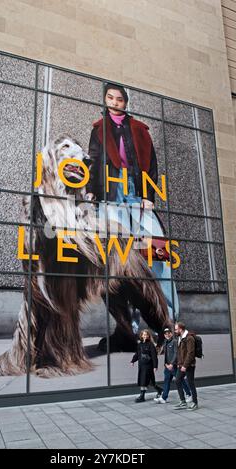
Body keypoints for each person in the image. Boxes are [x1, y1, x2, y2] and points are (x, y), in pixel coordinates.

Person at [86, 83, 179, 321]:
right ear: (105, 100)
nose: (115, 103)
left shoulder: (139, 129)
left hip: (136, 189)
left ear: (126, 102)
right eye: (110, 98)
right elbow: (94, 161)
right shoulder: (98, 130)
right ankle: (136, 325)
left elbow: (152, 164)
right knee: (123, 260)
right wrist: (91, 192)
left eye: (119, 99)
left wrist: (149, 196)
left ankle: (169, 318)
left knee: (158, 255)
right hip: (111, 190)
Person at [154, 327, 192, 404]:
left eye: (169, 333)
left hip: (174, 366)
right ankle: (164, 398)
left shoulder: (174, 342)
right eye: (166, 334)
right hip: (167, 366)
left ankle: (189, 394)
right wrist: (166, 364)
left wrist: (172, 364)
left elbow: (176, 353)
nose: (167, 335)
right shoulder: (165, 342)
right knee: (166, 381)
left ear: (171, 333)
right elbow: (165, 354)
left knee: (180, 380)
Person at [130, 329, 162, 403]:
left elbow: (154, 356)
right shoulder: (140, 344)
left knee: (143, 380)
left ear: (148, 336)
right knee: (150, 381)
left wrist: (155, 366)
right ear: (141, 335)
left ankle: (142, 396)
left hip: (148, 366)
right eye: (143, 334)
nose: (145, 336)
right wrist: (133, 361)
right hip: (141, 365)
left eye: (146, 335)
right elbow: (137, 354)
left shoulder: (151, 345)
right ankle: (159, 390)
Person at [173, 322, 198, 411]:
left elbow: (190, 353)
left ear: (180, 329)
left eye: (176, 329)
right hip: (181, 365)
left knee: (191, 383)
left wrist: (185, 365)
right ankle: (183, 401)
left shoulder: (189, 338)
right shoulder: (180, 337)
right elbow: (180, 353)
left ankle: (195, 403)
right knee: (177, 380)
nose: (175, 331)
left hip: (189, 365)